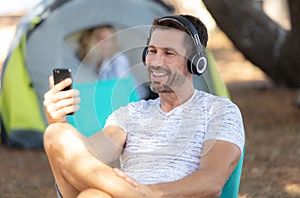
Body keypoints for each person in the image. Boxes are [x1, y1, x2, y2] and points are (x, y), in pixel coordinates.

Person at [43, 14, 245, 198]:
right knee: (56, 134)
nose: (156, 62)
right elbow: (86, 157)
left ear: (195, 62)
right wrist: (57, 119)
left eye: (168, 53)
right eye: (152, 51)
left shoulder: (219, 110)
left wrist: (152, 192)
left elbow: (212, 181)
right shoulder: (132, 113)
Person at [76, 24, 148, 98]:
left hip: (137, 99)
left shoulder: (119, 59)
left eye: (112, 39)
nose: (108, 44)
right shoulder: (90, 62)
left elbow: (122, 89)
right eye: (104, 39)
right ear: (93, 41)